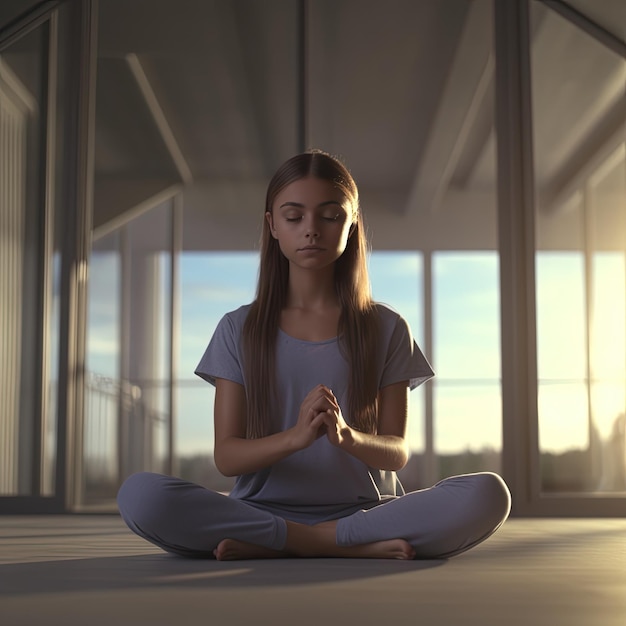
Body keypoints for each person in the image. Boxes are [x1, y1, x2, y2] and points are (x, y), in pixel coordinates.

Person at [117, 150, 511, 561]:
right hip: (261, 512)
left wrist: (346, 436)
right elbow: (228, 457)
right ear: (272, 225)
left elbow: (396, 452)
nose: (311, 230)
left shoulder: (387, 327)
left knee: (488, 494)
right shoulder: (239, 328)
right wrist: (296, 438)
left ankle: (297, 542)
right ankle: (330, 544)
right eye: (294, 216)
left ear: (352, 221)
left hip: (365, 514)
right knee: (141, 496)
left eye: (329, 216)